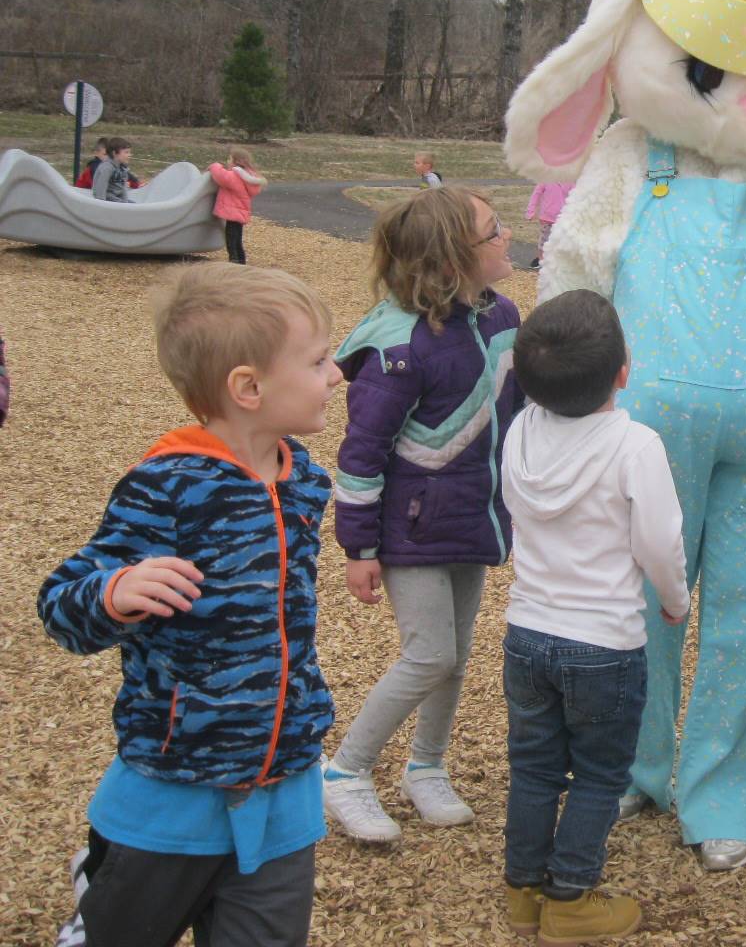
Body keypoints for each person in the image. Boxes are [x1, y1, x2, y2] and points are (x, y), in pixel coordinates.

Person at [36, 262, 342, 947]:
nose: (337, 373)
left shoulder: (305, 479)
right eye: (319, 360)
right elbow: (59, 605)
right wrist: (113, 593)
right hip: (171, 794)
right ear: (248, 388)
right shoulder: (165, 487)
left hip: (283, 790)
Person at [321, 184, 523, 844]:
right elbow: (361, 454)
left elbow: (518, 410)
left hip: (470, 517)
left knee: (456, 656)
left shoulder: (503, 320)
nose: (508, 237)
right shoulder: (399, 349)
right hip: (409, 529)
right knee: (430, 652)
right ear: (449, 263)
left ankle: (426, 766)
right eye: (494, 232)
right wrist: (358, 547)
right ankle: (346, 771)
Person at [499, 288, 691, 942]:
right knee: (601, 772)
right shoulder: (635, 444)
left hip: (527, 632)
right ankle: (571, 899)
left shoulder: (520, 430)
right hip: (602, 644)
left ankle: (523, 890)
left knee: (533, 766)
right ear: (623, 370)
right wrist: (676, 600)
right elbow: (660, 542)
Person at [208, 147, 267, 265]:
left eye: (229, 158)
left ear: (236, 161)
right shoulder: (247, 177)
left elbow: (221, 176)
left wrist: (214, 165)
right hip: (240, 213)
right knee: (237, 239)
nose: (228, 161)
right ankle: (241, 261)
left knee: (231, 239)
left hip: (232, 214)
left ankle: (233, 261)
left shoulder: (235, 175)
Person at [524, 179, 573, 273]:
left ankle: (559, 261)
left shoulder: (570, 181)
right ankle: (540, 260)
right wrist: (530, 211)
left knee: (562, 240)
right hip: (547, 218)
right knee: (544, 240)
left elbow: (575, 197)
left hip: (563, 218)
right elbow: (536, 195)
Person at [91, 138, 139, 202]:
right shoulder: (107, 168)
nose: (129, 155)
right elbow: (101, 187)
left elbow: (123, 187)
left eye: (129, 152)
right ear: (114, 153)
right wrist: (101, 203)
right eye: (126, 152)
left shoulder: (123, 168)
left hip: (116, 197)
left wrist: (125, 202)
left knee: (132, 204)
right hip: (106, 197)